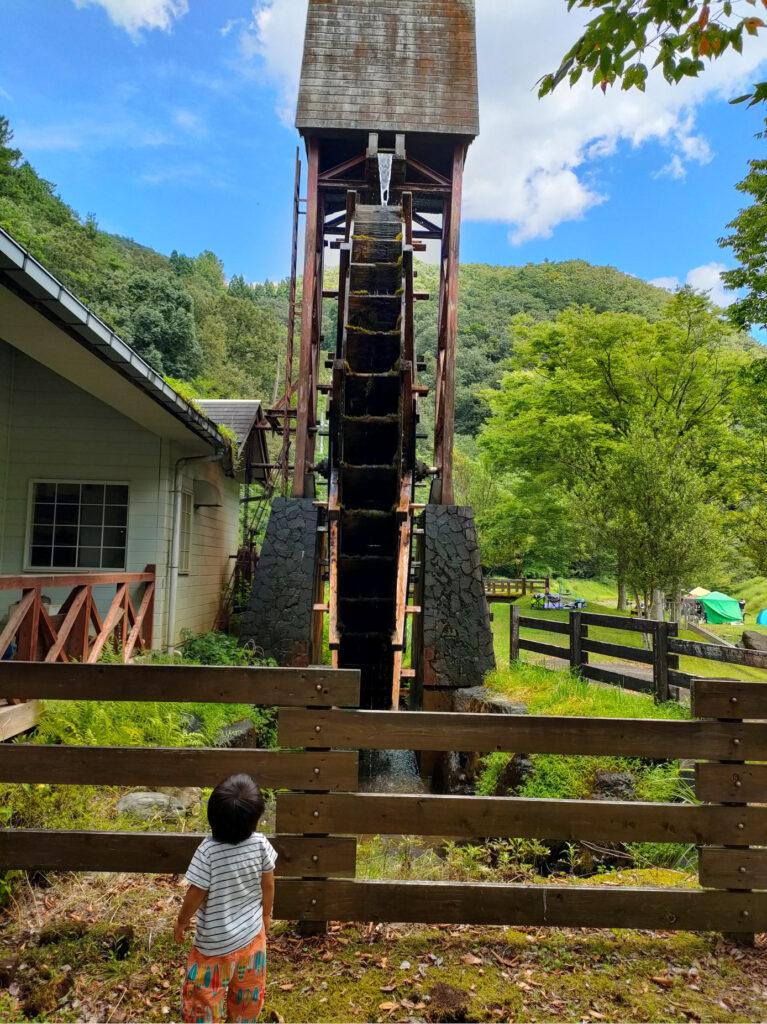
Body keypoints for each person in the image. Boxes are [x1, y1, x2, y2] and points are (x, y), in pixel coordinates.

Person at [175, 774, 276, 1023]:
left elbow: (196, 892)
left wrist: (181, 921)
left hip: (213, 946)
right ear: (257, 819)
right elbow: (269, 884)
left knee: (205, 997)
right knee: (247, 993)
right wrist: (265, 915)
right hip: (253, 939)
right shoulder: (260, 844)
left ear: (213, 818)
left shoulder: (208, 851)